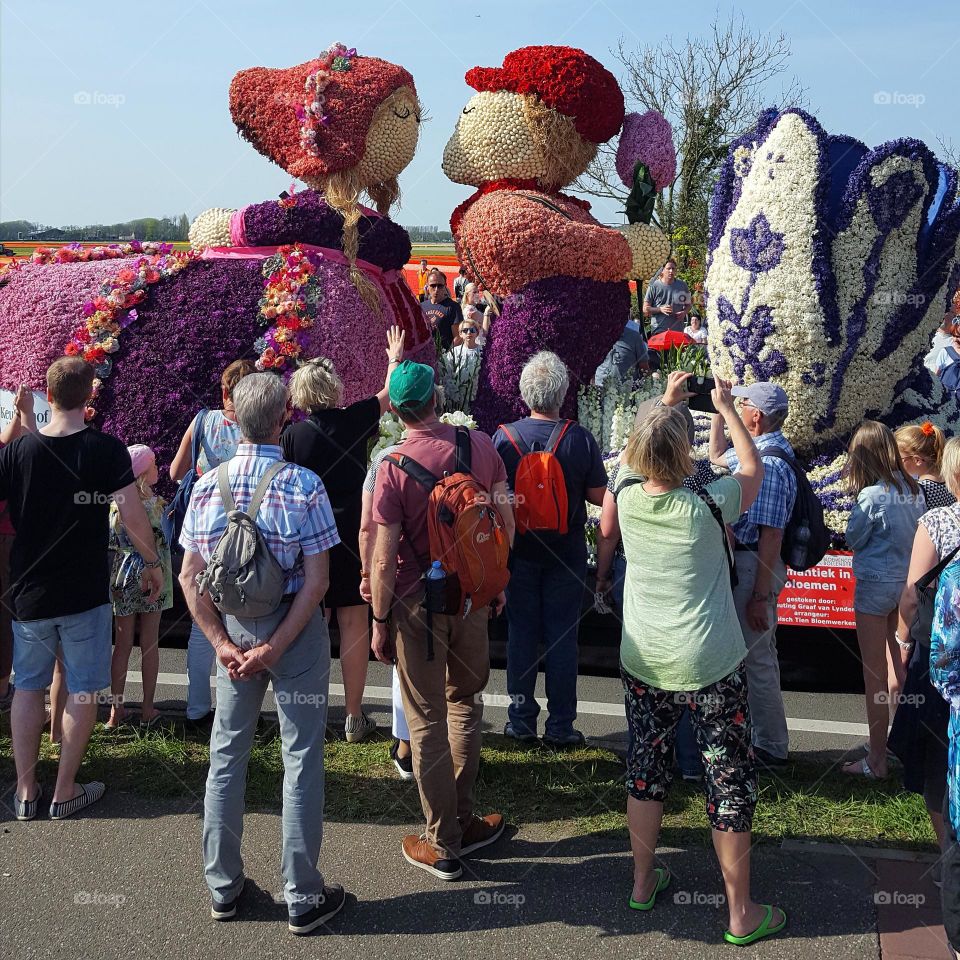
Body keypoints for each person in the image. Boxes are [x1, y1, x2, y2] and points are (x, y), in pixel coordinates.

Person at [600, 380, 786, 946]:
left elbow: (647, 452)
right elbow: (750, 466)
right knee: (727, 780)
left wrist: (666, 402)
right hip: (709, 659)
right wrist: (725, 408)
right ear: (682, 451)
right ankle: (740, 912)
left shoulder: (626, 488)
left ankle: (640, 881)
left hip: (645, 657)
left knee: (645, 768)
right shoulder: (710, 496)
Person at [179, 372, 345, 933]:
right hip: (292, 632)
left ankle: (223, 887)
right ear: (286, 418)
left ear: (232, 419)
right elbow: (319, 581)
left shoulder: (206, 487)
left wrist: (224, 643)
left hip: (233, 630)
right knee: (301, 757)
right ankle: (302, 894)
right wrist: (277, 644)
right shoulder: (304, 485)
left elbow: (188, 577)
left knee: (227, 756)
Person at [370, 360, 514, 880]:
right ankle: (465, 817)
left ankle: (443, 840)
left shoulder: (391, 466)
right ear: (436, 397)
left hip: (416, 605)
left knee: (426, 716)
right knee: (465, 705)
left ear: (400, 409)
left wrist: (380, 619)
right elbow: (504, 518)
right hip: (472, 600)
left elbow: (383, 558)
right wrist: (494, 581)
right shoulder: (479, 446)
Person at [3, 357, 163, 822]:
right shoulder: (105, 450)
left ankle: (27, 790)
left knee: (27, 688)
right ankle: (66, 789)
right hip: (85, 590)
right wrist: (151, 562)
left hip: (28, 589)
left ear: (47, 396)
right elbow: (133, 517)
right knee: (84, 690)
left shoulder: (17, 453)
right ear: (89, 394)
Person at [282, 326, 406, 742]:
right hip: (353, 534)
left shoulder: (293, 436)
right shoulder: (355, 418)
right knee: (355, 624)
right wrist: (393, 357)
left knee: (312, 625)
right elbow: (389, 396)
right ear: (334, 389)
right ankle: (354, 715)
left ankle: (312, 712)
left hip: (308, 537)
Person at [596, 373, 714, 780]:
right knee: (688, 668)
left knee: (649, 667)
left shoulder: (627, 478)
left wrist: (602, 574)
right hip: (691, 581)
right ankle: (692, 762)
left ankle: (648, 762)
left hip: (641, 577)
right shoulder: (703, 478)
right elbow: (745, 482)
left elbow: (607, 530)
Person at [494, 352, 606, 745]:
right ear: (562, 393)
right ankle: (561, 726)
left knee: (521, 634)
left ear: (525, 394)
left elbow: (494, 496)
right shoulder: (578, 438)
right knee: (562, 637)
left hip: (518, 552)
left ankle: (520, 720)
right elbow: (598, 495)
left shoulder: (503, 438)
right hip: (567, 553)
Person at [708, 381, 795, 767]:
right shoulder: (759, 452)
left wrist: (760, 595)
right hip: (747, 564)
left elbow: (771, 534)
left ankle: (771, 747)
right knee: (756, 656)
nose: (739, 408)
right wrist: (720, 411)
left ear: (755, 417)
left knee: (757, 658)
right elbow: (716, 455)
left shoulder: (771, 464)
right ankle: (761, 739)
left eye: (742, 405)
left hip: (753, 565)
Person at [170, 358, 255, 729]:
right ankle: (232, 711)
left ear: (224, 390)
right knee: (236, 618)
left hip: (203, 531)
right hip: (242, 534)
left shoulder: (201, 420)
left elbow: (175, 473)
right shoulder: (254, 428)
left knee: (201, 623)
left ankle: (195, 709)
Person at [891, 437, 960, 884]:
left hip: (943, 663)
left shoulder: (938, 521)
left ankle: (949, 859)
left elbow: (913, 594)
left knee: (937, 761)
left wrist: (900, 640)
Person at [843, 420, 926, 779]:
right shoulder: (913, 489)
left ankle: (876, 760)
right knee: (900, 670)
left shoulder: (871, 495)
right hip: (905, 584)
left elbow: (854, 538)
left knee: (873, 674)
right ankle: (906, 749)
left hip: (875, 586)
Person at [105, 444, 174, 730]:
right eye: (154, 464)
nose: (159, 468)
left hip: (122, 575)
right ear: (144, 472)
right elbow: (168, 540)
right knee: (150, 643)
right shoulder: (159, 507)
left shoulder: (114, 505)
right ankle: (147, 708)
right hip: (152, 573)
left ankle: (115, 711)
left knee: (121, 644)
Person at [359, 441, 413, 780]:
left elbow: (369, 528)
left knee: (404, 666)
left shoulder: (384, 459)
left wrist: (368, 576)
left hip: (407, 583)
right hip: (460, 579)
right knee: (454, 673)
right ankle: (456, 754)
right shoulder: (470, 445)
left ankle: (406, 749)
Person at [0, 384, 38, 714]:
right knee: (7, 612)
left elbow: (7, 442)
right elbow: (25, 444)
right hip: (8, 536)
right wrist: (24, 412)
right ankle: (2, 689)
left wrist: (19, 412)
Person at [897, 422, 955, 510]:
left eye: (899, 458)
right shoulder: (951, 481)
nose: (897, 462)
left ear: (917, 460)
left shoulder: (918, 490)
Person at [643, 259, 692, 336]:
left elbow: (688, 305)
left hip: (677, 331)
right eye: (668, 268)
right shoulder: (654, 286)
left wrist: (684, 312)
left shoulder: (682, 285)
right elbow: (645, 309)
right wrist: (660, 309)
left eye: (673, 269)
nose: (671, 271)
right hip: (659, 330)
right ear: (662, 270)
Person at [443, 320, 483, 408]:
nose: (469, 333)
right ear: (460, 334)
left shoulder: (482, 351)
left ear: (477, 333)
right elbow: (448, 374)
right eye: (465, 330)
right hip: (458, 394)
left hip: (477, 393)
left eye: (472, 330)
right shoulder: (454, 351)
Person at [420, 269, 463, 350]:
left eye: (440, 286)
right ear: (427, 286)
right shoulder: (422, 306)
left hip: (443, 355)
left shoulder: (453, 307)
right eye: (433, 285)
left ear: (445, 286)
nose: (436, 289)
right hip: (425, 355)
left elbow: (458, 337)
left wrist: (447, 356)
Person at [599, 317, 650, 384]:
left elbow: (644, 366)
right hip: (600, 387)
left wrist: (648, 385)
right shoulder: (597, 335)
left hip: (627, 389)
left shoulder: (634, 337)